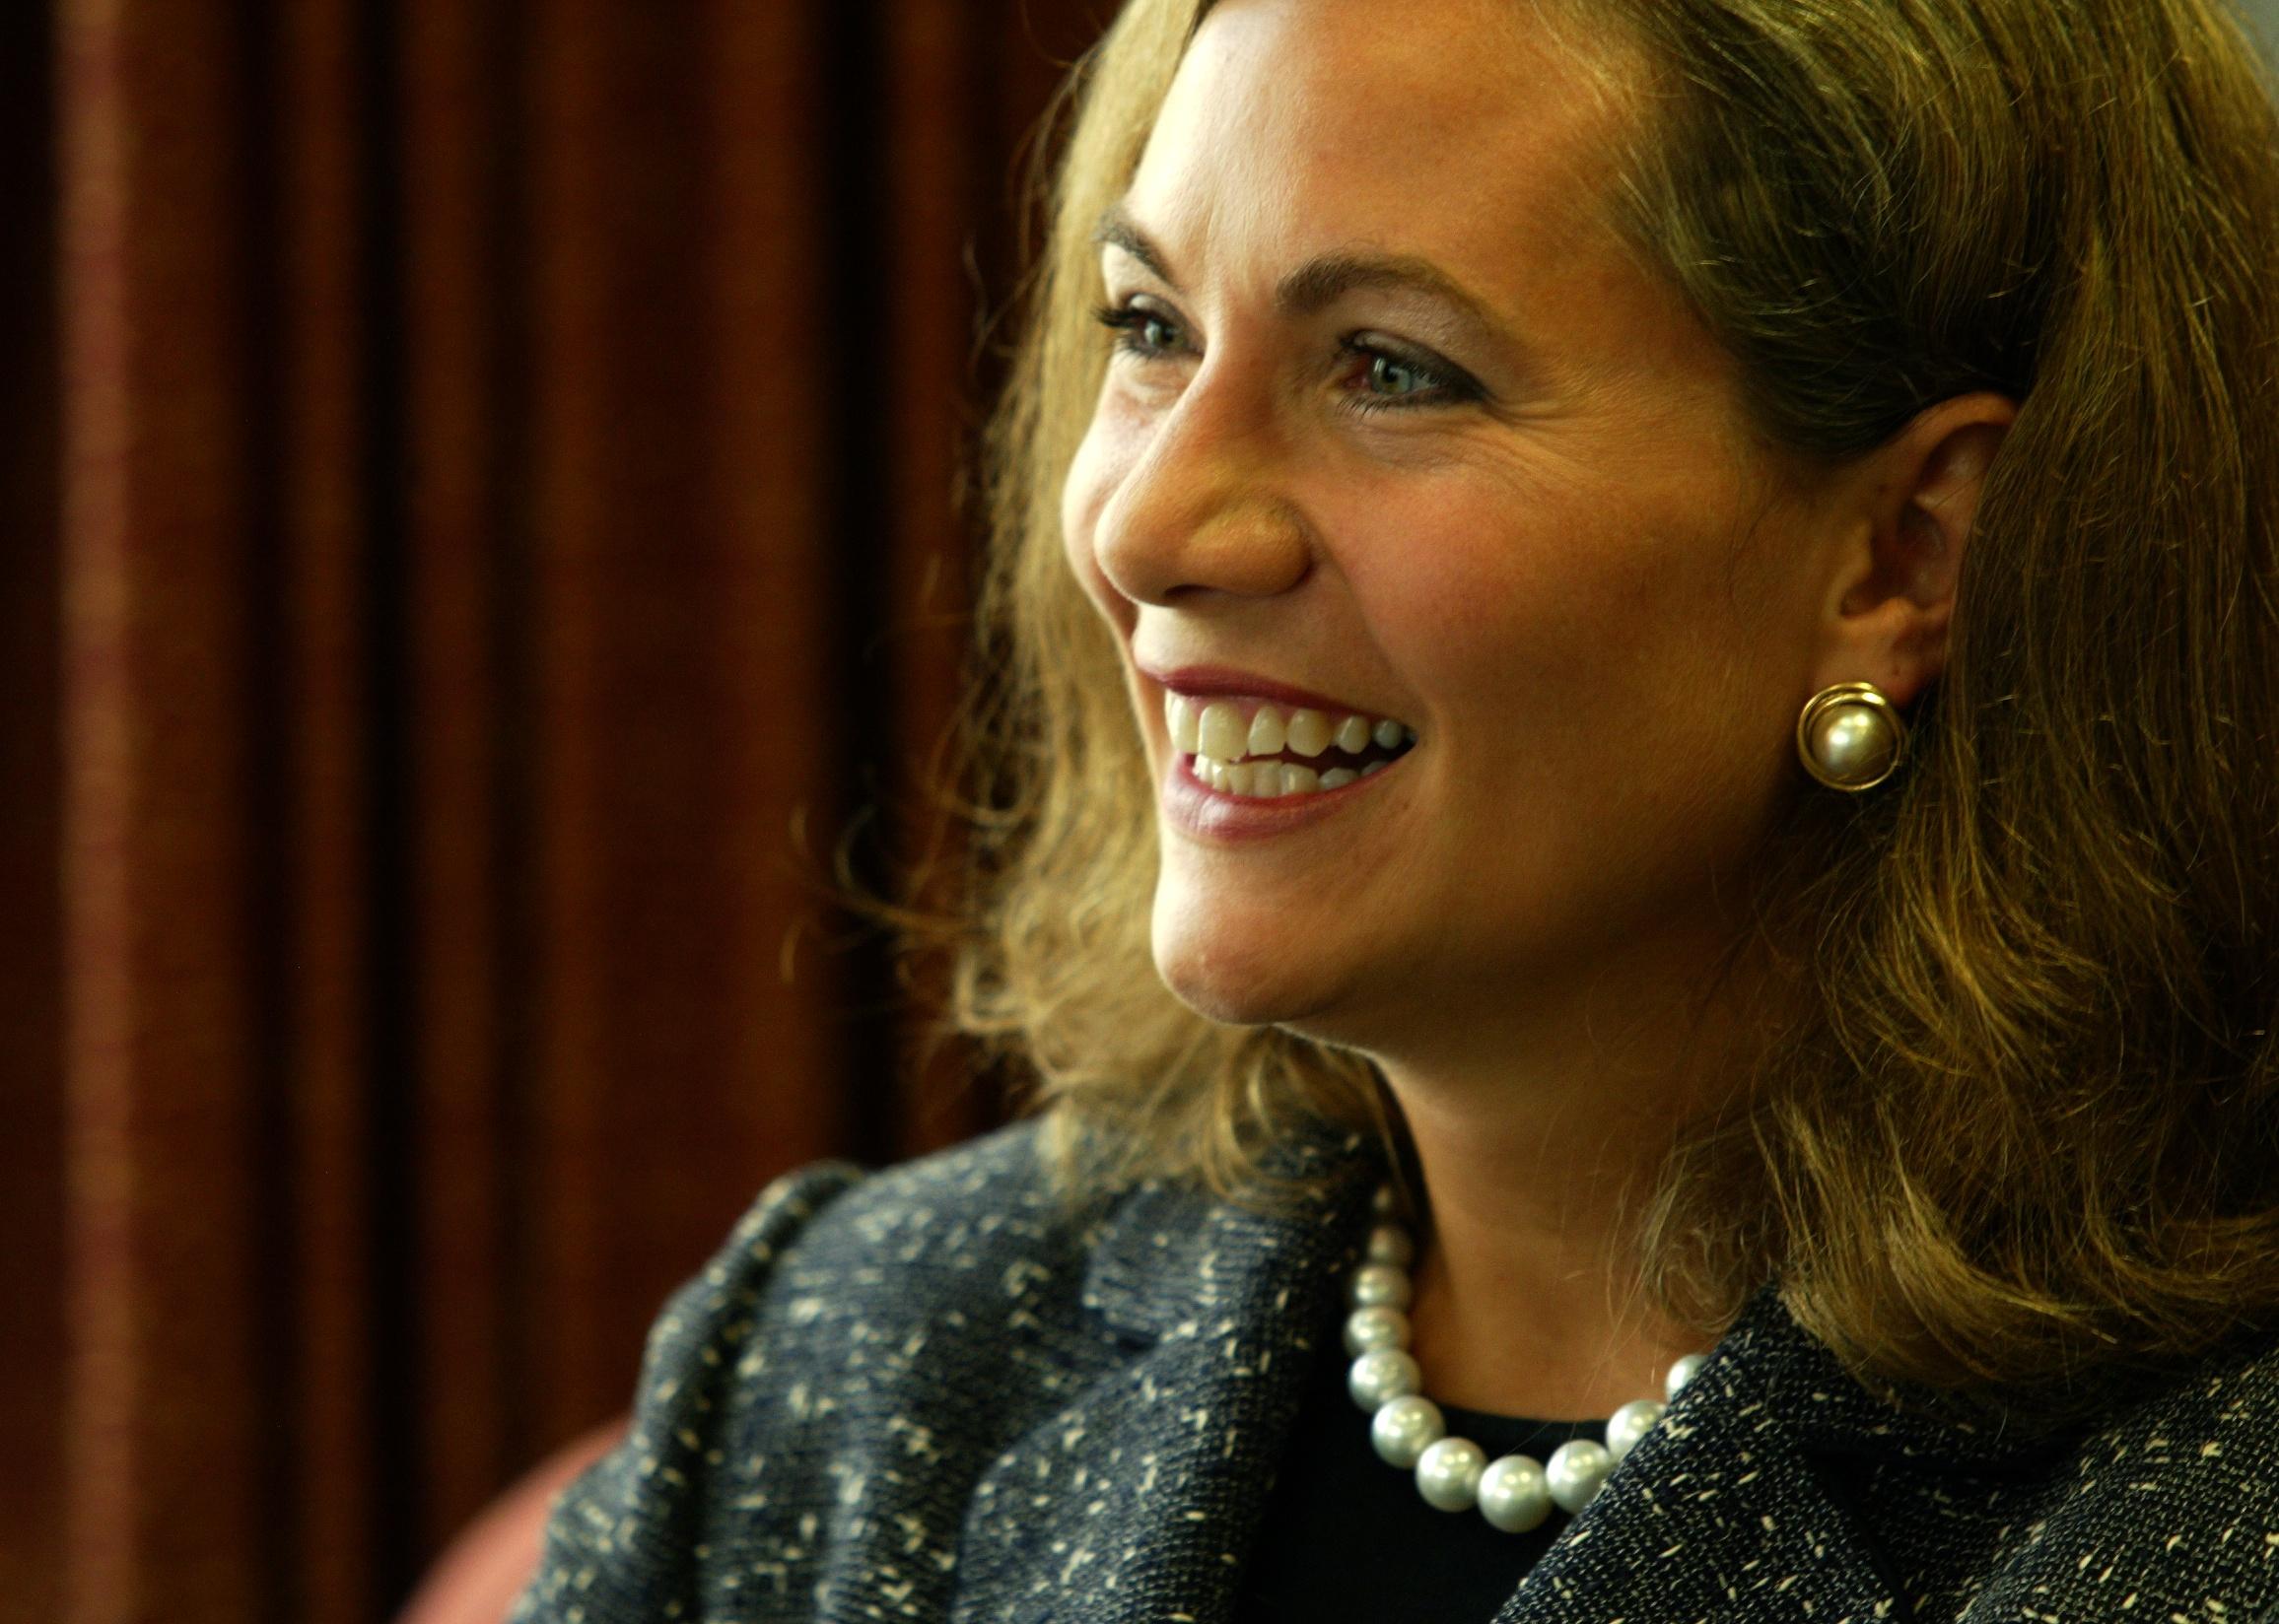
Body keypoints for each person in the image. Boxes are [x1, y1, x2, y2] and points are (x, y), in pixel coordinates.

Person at [510, 0, 2279, 1618]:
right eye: (1148, 328)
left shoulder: (2213, 1509)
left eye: (1391, 368)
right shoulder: (850, 1361)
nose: (1145, 530)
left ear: (1906, 555)